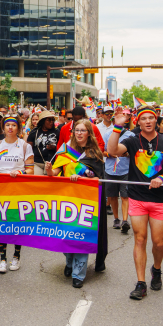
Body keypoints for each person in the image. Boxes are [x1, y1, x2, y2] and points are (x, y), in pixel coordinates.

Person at [107, 105, 163, 300]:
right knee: (140, 239)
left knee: (158, 242)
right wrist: (117, 127)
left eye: (151, 118)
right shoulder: (132, 141)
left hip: (159, 200)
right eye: (144, 119)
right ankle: (140, 283)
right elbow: (112, 150)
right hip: (137, 197)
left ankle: (156, 269)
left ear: (156, 121)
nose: (148, 121)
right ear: (138, 122)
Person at [46, 118, 107, 287]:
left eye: (82, 130)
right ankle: (69, 262)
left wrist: (82, 179)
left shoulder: (95, 154)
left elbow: (100, 180)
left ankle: (78, 274)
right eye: (76, 130)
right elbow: (54, 173)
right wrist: (49, 170)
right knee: (65, 235)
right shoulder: (64, 150)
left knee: (81, 236)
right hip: (66, 200)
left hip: (86, 201)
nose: (79, 133)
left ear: (89, 133)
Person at [0, 115, 34, 273]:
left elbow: (30, 170)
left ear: (18, 128)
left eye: (13, 125)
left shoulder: (24, 146)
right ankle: (2, 259)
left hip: (18, 190)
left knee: (16, 223)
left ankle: (16, 256)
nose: (10, 128)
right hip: (0, 190)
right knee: (1, 224)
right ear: (3, 127)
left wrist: (20, 171)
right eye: (7, 125)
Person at [100, 109, 132, 234]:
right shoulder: (108, 134)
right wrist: (110, 154)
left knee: (125, 196)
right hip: (110, 170)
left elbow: (135, 152)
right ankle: (116, 219)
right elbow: (101, 150)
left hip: (125, 170)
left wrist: (127, 153)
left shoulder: (130, 135)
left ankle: (125, 220)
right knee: (112, 196)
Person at [28, 110, 60, 175]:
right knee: (38, 182)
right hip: (37, 163)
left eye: (52, 120)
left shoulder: (57, 131)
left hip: (52, 163)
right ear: (43, 121)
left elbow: (62, 147)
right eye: (49, 120)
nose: (51, 122)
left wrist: (54, 148)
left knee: (49, 184)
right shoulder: (34, 132)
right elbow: (29, 149)